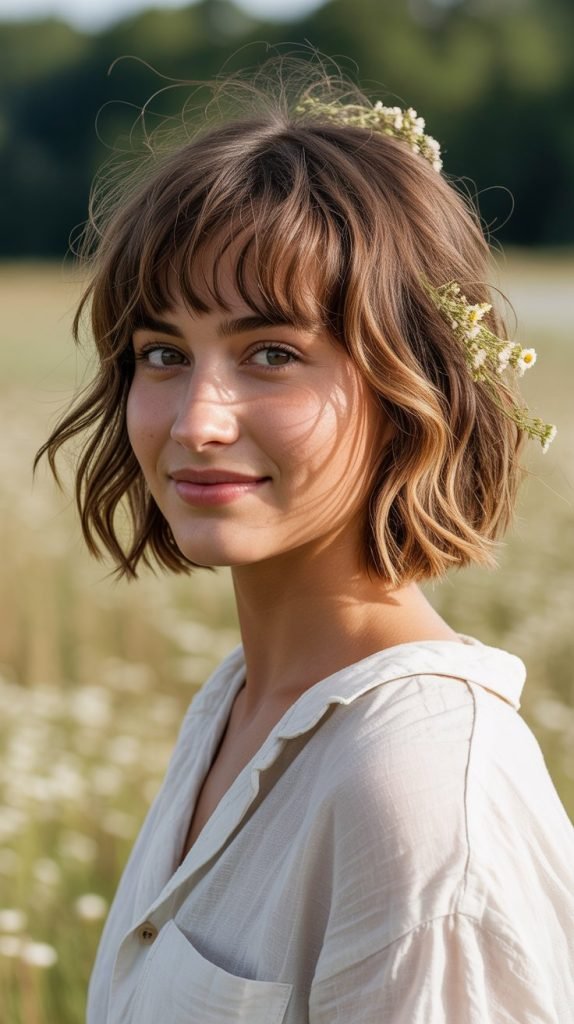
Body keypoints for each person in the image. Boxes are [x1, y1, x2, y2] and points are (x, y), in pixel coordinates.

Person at [36, 54, 571, 1024]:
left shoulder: (418, 790)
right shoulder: (240, 705)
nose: (196, 420)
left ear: (411, 381)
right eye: (164, 352)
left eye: (272, 353)